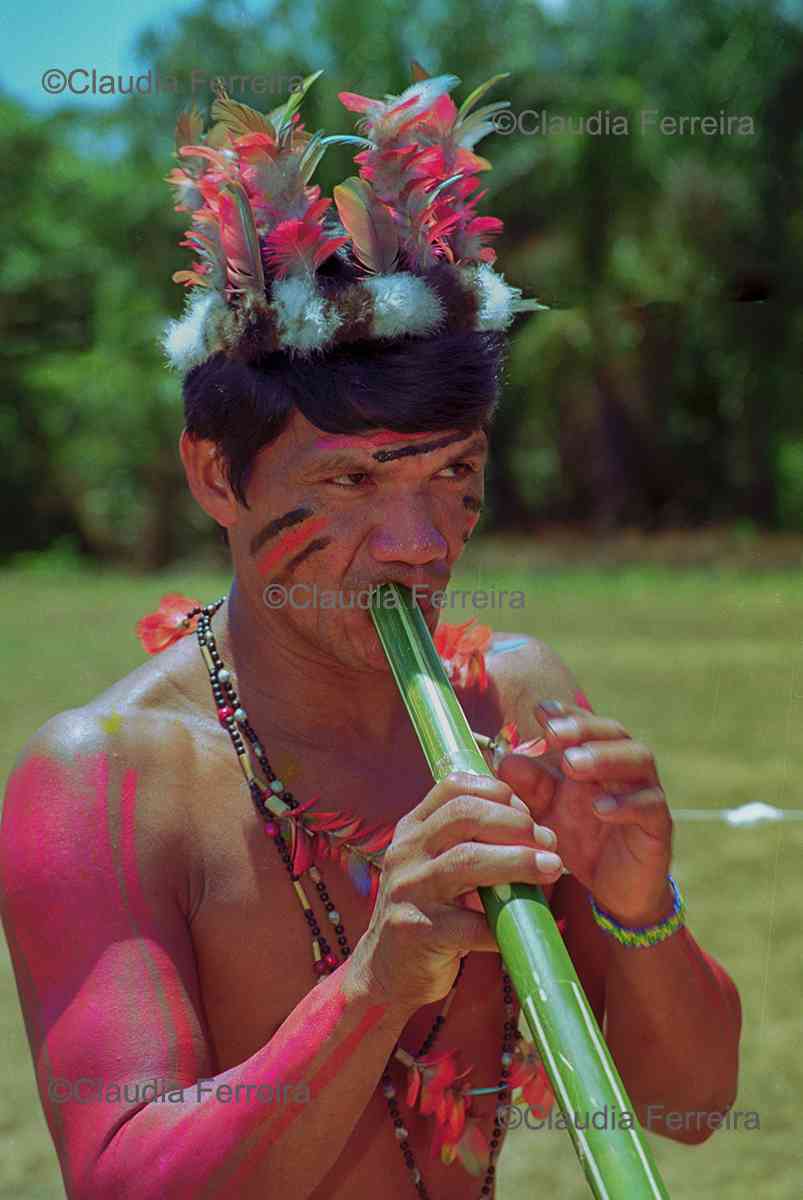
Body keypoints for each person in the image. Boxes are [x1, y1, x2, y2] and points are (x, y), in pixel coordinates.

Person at [0, 66, 741, 1200]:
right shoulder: (102, 780)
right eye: (349, 480)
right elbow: (119, 1181)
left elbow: (685, 1104)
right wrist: (370, 988)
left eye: (453, 471)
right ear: (215, 476)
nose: (418, 542)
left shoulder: (514, 699)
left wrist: (641, 910)